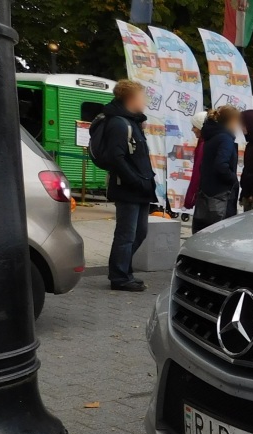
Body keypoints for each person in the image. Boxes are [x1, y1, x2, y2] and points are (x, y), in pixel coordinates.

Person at [97, 79, 156, 292]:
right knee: (126, 234)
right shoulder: (119, 123)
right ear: (131, 98)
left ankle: (124, 271)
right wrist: (135, 180)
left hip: (139, 188)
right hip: (128, 188)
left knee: (139, 233)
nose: (145, 101)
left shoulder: (131, 122)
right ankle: (119, 276)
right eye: (142, 97)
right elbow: (116, 157)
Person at [192, 106, 241, 233]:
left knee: (204, 231)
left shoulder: (211, 137)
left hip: (207, 191)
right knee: (220, 233)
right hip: (221, 195)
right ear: (231, 121)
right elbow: (221, 165)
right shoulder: (225, 139)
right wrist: (233, 179)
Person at [184, 110, 208, 210]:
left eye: (194, 126)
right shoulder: (203, 143)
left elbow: (197, 173)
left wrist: (190, 198)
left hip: (203, 194)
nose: (192, 129)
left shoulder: (203, 145)